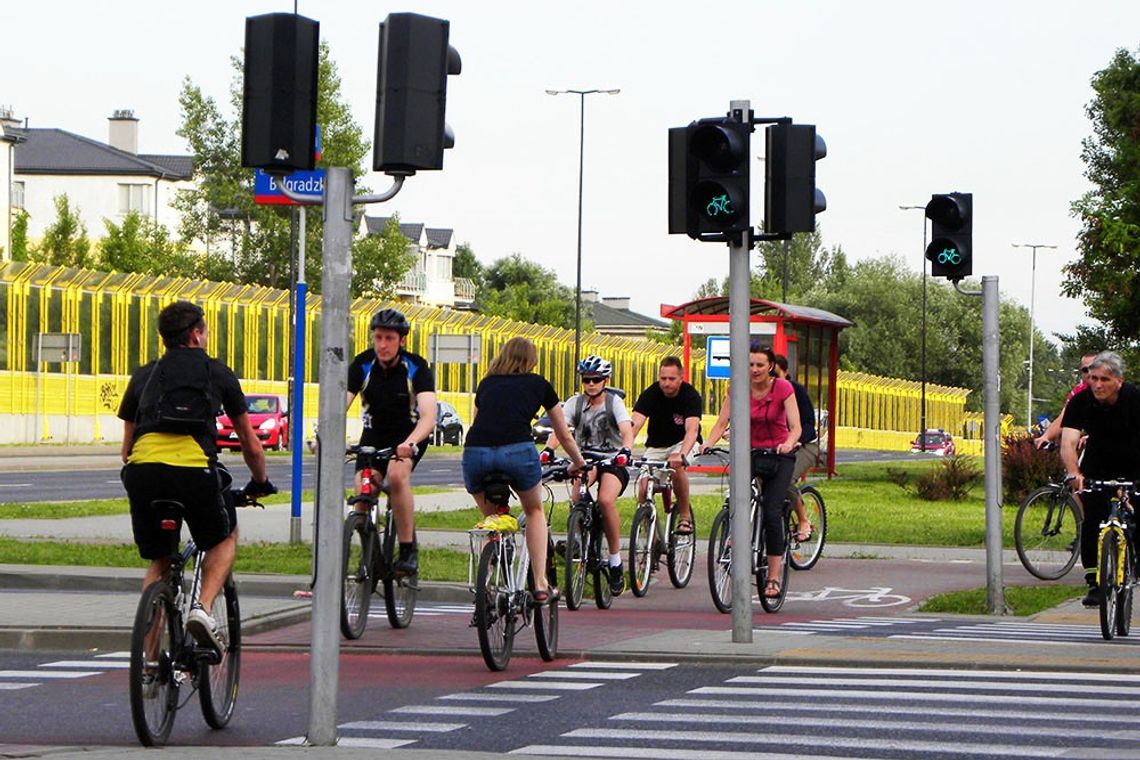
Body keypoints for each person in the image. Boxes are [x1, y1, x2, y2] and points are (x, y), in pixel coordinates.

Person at [118, 300, 275, 658]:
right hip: (194, 473)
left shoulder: (144, 376)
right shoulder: (217, 372)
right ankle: (202, 610)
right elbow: (250, 444)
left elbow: (126, 450)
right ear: (196, 334)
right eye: (204, 330)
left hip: (143, 474)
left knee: (159, 559)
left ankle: (149, 661)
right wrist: (260, 480)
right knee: (223, 536)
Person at [462, 337, 586, 604]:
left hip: (476, 454)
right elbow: (563, 434)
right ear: (531, 360)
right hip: (517, 452)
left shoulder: (486, 384)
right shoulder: (539, 383)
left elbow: (477, 422)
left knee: (491, 519)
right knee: (534, 511)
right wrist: (578, 462)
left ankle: (486, 578)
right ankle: (540, 583)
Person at [702, 342, 801, 600]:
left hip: (779, 455)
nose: (754, 369)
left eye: (759, 365)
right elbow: (722, 422)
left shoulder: (783, 388)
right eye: (749, 365)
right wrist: (708, 444)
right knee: (736, 499)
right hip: (749, 453)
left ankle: (774, 577)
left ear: (770, 366)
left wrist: (788, 443)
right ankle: (734, 538)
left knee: (771, 511)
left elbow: (796, 426)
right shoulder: (738, 388)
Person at [347, 308, 437, 577]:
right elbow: (340, 405)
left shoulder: (416, 367)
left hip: (408, 436)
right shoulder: (362, 364)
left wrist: (410, 443)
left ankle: (408, 551)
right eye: (377, 338)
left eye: (388, 338)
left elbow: (429, 416)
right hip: (373, 436)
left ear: (402, 341)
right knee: (361, 495)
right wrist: (323, 438)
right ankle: (370, 556)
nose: (382, 345)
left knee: (397, 477)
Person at [545, 354, 635, 596]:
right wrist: (548, 449)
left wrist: (626, 450)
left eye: (596, 379)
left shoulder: (613, 403)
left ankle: (615, 561)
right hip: (586, 459)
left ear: (605, 380)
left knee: (606, 500)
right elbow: (561, 430)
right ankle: (579, 537)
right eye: (586, 380)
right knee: (577, 496)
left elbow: (627, 430)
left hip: (613, 460)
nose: (591, 384)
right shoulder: (575, 403)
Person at [1059, 351, 1140, 607]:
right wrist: (1075, 473)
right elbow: (1068, 442)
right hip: (1097, 463)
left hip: (1134, 461)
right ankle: (1094, 583)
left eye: (1104, 379)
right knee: (1092, 520)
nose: (1097, 384)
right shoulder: (1081, 401)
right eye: (1093, 378)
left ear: (1119, 380)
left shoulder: (1134, 399)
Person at [630, 356, 703, 537]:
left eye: (671, 379)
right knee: (643, 486)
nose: (666, 383)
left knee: (676, 467)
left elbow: (692, 430)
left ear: (681, 377)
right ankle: (651, 539)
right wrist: (624, 449)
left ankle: (685, 515)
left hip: (685, 442)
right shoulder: (651, 394)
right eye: (663, 379)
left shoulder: (690, 395)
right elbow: (634, 425)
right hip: (657, 446)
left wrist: (681, 454)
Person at [772, 354, 818, 543]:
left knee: (785, 480)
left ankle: (803, 520)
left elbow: (808, 423)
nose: (772, 379)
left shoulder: (795, 391)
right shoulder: (762, 391)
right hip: (775, 446)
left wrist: (796, 440)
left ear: (786, 372)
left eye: (776, 374)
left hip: (804, 445)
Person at [1035, 352, 1098, 449]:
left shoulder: (1112, 389)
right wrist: (1046, 437)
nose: (1089, 373)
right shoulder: (1078, 392)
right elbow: (1064, 418)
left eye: (1093, 368)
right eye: (1085, 370)